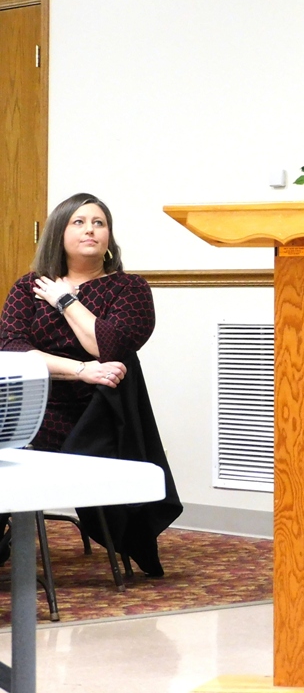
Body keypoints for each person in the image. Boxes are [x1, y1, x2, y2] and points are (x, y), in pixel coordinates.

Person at [0, 191, 180, 575]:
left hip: (98, 414)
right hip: (36, 406)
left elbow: (108, 347)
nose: (90, 230)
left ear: (109, 236)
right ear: (58, 233)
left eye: (99, 223)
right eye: (78, 222)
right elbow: (12, 349)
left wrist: (66, 301)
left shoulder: (130, 288)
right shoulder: (29, 287)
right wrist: (79, 369)